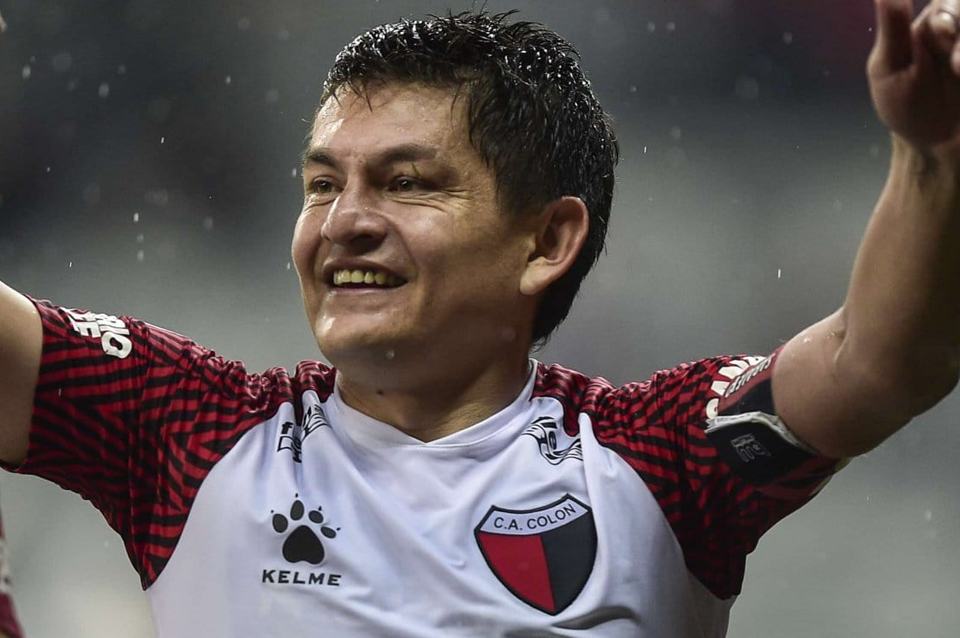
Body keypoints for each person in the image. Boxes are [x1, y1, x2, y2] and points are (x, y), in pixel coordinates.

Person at [0, 0, 958, 635]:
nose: (344, 222)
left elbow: (881, 363)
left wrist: (934, 157)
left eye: (407, 183)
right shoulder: (181, 424)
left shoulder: (659, 461)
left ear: (547, 241)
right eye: (322, 185)